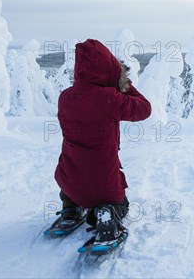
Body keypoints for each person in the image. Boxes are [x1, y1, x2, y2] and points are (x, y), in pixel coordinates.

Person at [50, 39, 152, 243]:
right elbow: (144, 109)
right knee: (120, 204)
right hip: (104, 184)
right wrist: (125, 83)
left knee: (72, 180)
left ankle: (70, 209)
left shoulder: (65, 97)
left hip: (70, 182)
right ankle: (106, 213)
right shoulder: (110, 98)